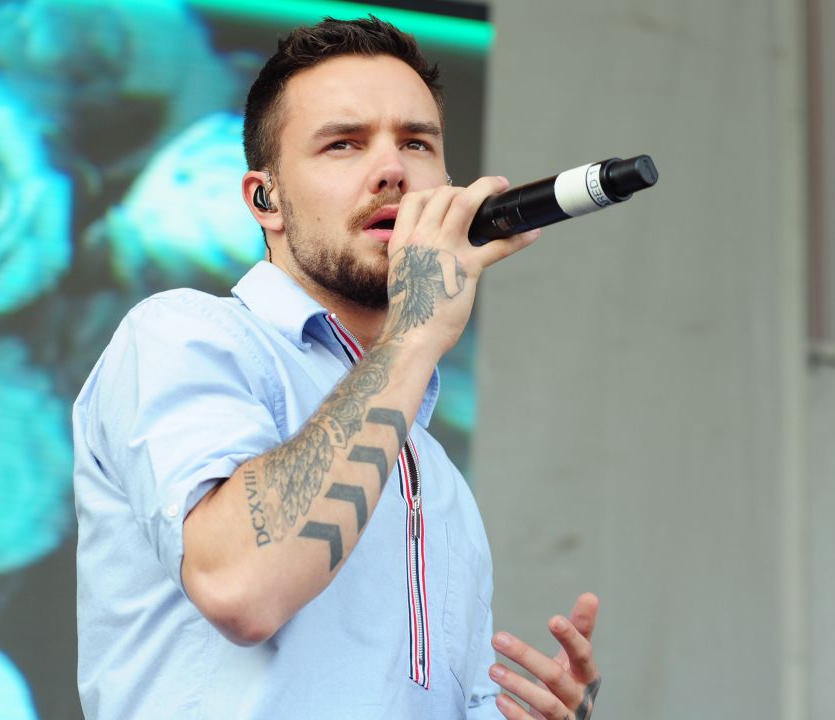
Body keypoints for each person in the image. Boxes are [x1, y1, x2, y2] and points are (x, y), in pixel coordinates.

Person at [73, 16, 602, 720]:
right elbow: (241, 586)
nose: (392, 169)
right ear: (266, 201)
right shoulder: (183, 335)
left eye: (417, 142)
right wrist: (415, 334)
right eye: (343, 144)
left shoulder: (436, 477)